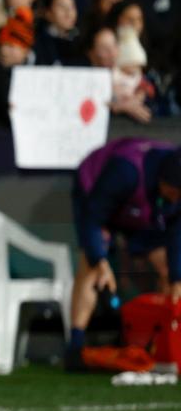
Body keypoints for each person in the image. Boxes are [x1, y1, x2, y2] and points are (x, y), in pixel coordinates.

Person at [68, 139, 181, 371]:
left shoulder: (173, 190)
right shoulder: (127, 171)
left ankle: (163, 346)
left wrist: (177, 277)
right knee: (90, 267)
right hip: (97, 195)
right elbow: (92, 217)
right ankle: (75, 348)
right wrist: (100, 260)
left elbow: (177, 233)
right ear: (164, 181)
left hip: (142, 207)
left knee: (170, 272)